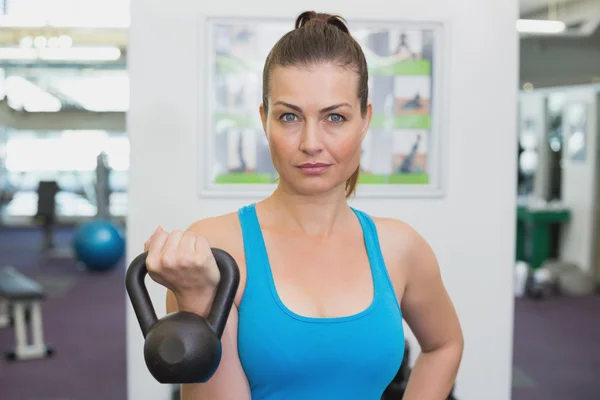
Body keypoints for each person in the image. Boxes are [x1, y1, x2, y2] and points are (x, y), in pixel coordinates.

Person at [143, 10, 463, 400]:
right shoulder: (212, 249)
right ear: (264, 121)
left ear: (365, 120)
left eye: (335, 117)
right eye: (290, 116)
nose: (311, 142)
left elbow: (445, 345)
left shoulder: (402, 248)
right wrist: (198, 302)